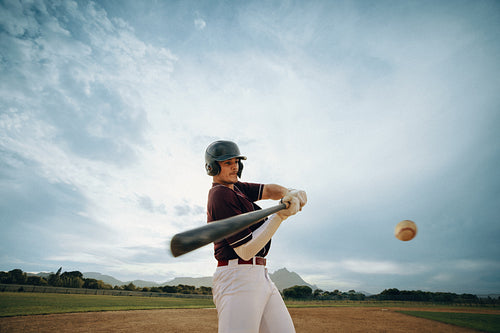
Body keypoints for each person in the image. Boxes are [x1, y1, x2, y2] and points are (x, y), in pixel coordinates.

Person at [205, 140, 307, 333]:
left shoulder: (237, 189)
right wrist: (280, 216)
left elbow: (268, 190)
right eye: (228, 163)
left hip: (260, 274)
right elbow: (245, 250)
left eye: (236, 161)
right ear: (212, 167)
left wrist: (289, 192)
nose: (235, 166)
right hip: (237, 277)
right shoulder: (219, 195)